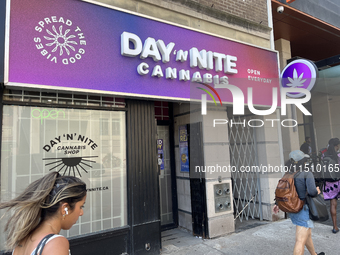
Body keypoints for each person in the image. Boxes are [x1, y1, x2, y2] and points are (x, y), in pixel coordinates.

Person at [0, 172, 87, 255]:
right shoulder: (55, 243)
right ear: (65, 208)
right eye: (81, 206)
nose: (81, 213)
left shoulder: (24, 238)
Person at [273, 150, 323, 255]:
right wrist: (318, 191)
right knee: (300, 241)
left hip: (292, 209)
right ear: (302, 161)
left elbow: (283, 191)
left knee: (307, 234)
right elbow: (312, 192)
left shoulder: (287, 174)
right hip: (302, 209)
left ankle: (314, 254)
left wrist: (277, 204)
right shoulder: (306, 173)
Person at [321, 137, 340, 234]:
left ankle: (335, 227)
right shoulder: (338, 156)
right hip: (338, 182)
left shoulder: (324, 156)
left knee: (333, 204)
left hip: (329, 183)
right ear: (337, 146)